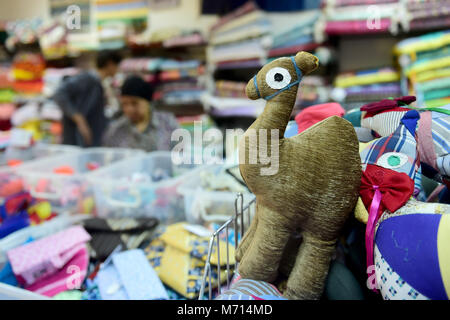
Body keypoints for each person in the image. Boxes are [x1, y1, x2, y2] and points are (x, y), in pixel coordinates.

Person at [53, 50, 122, 147]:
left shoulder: (98, 83)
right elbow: (59, 93)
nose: (118, 70)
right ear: (110, 64)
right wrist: (79, 120)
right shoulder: (87, 79)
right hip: (76, 141)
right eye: (117, 66)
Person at [103, 75, 180, 152]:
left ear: (148, 102)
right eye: (125, 104)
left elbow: (181, 153)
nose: (129, 109)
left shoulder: (167, 123)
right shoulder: (116, 131)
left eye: (134, 103)